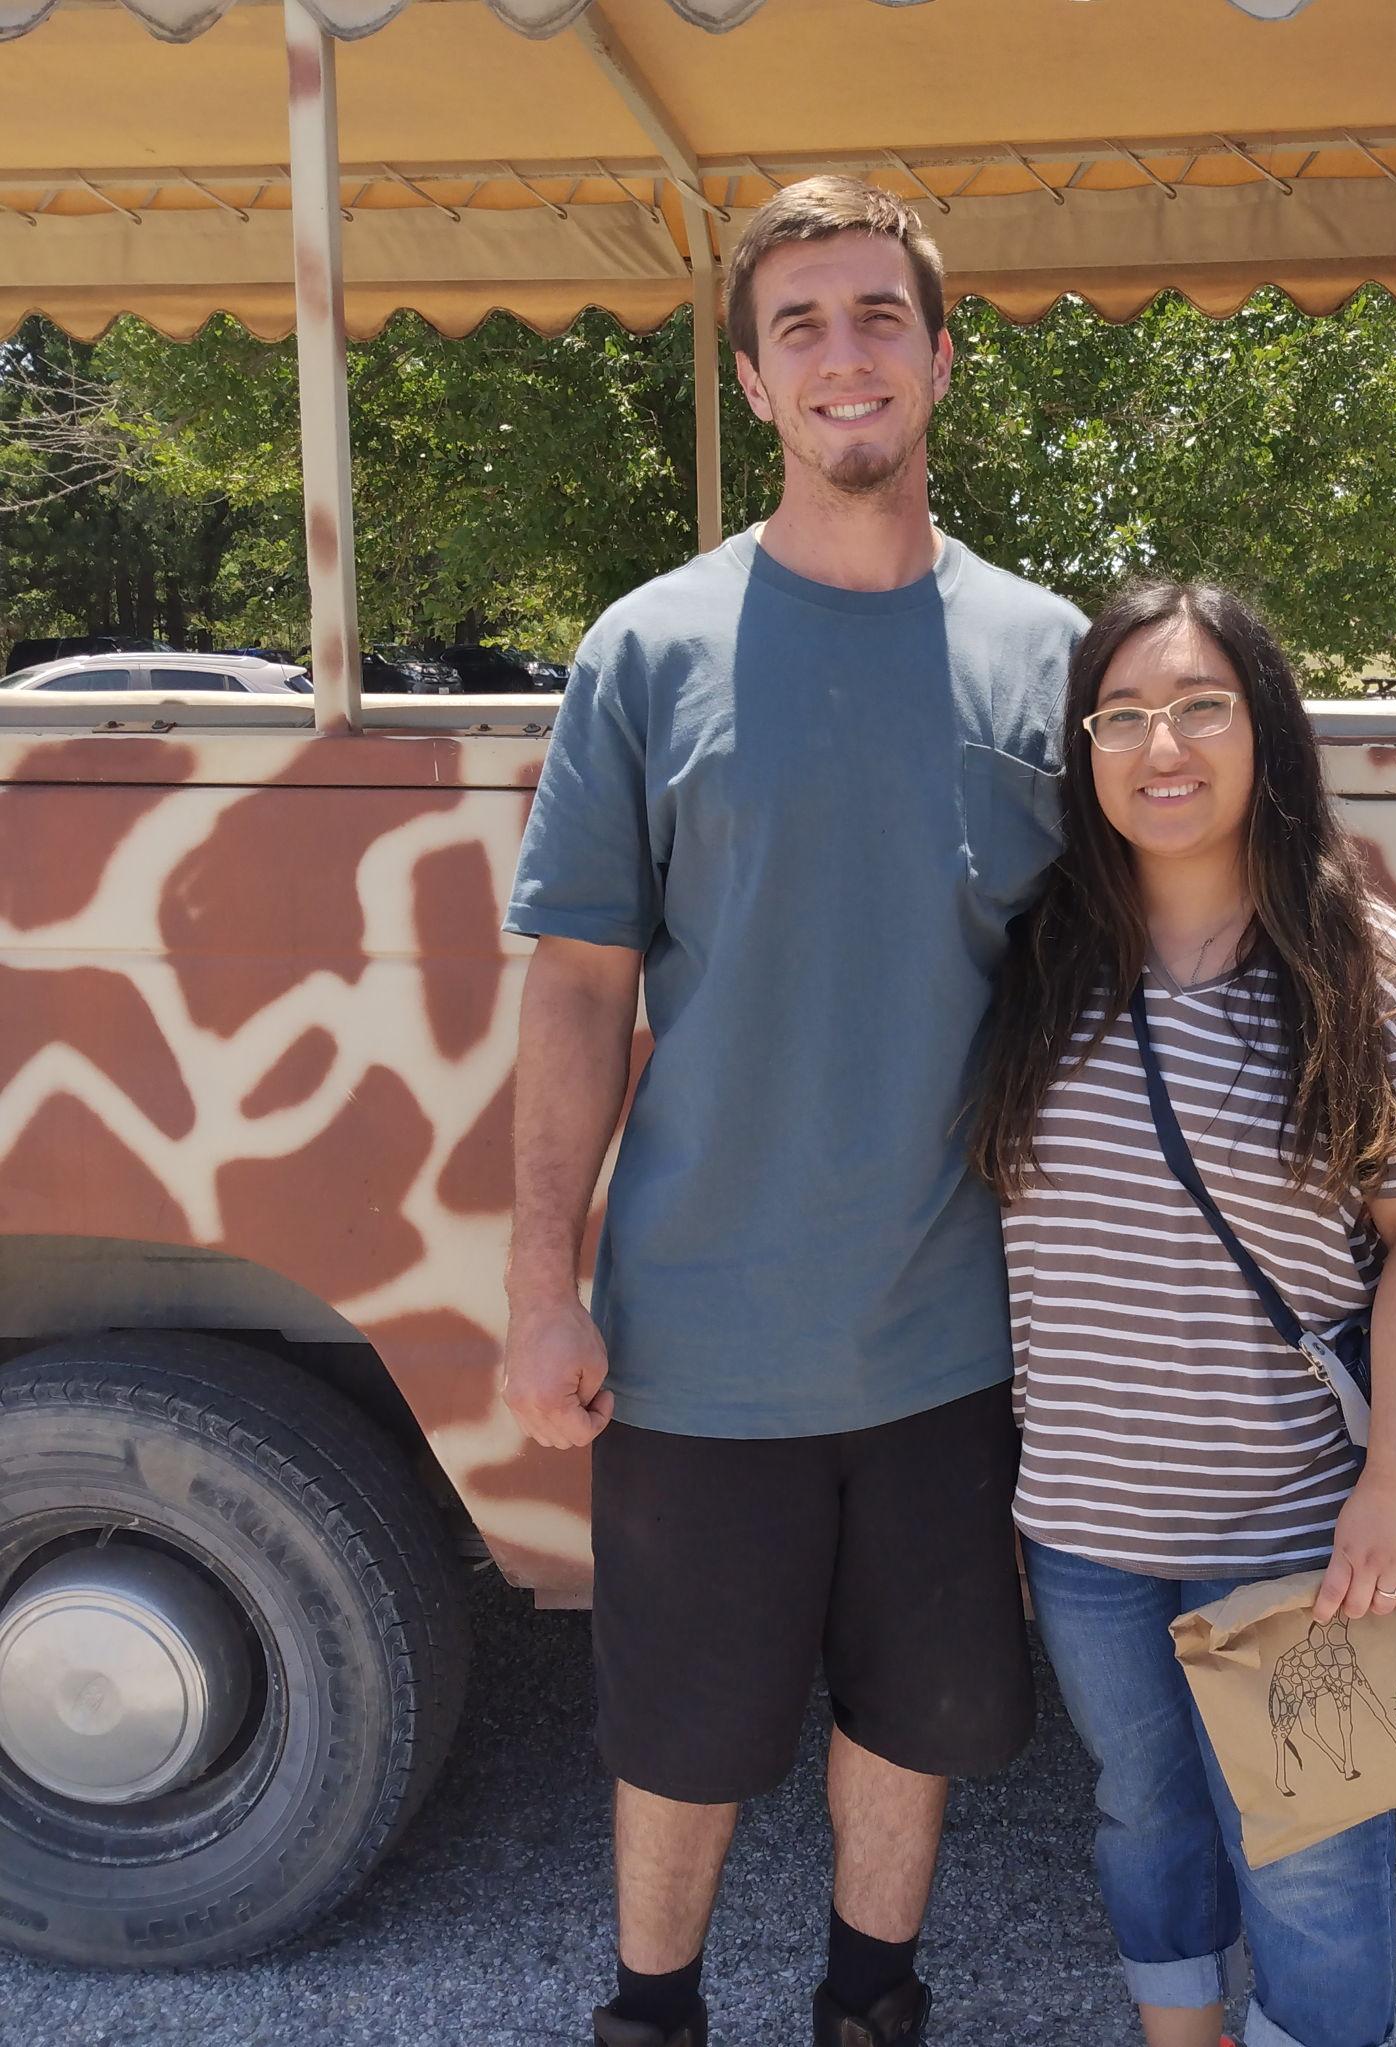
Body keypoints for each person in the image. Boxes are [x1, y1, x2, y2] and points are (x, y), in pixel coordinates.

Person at [500, 176, 1084, 2047]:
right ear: (756, 381)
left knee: (915, 1723)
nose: (846, 356)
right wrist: (539, 1277)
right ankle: (651, 2016)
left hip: (951, 1334)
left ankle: (870, 2007)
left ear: (939, 354)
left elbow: (1133, 974)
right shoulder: (646, 651)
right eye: (803, 327)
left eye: (878, 318)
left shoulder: (1052, 657)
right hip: (699, 1343)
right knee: (683, 1734)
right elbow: (581, 978)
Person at [972, 581, 1396, 2047]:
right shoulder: (1039, 963)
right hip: (1085, 1533)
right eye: (1122, 715)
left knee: (1316, 1857)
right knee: (1143, 1815)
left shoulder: (1360, 971)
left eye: (1202, 706)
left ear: (1267, 731)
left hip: (1297, 1530)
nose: (1162, 745)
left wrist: (1395, 1486)